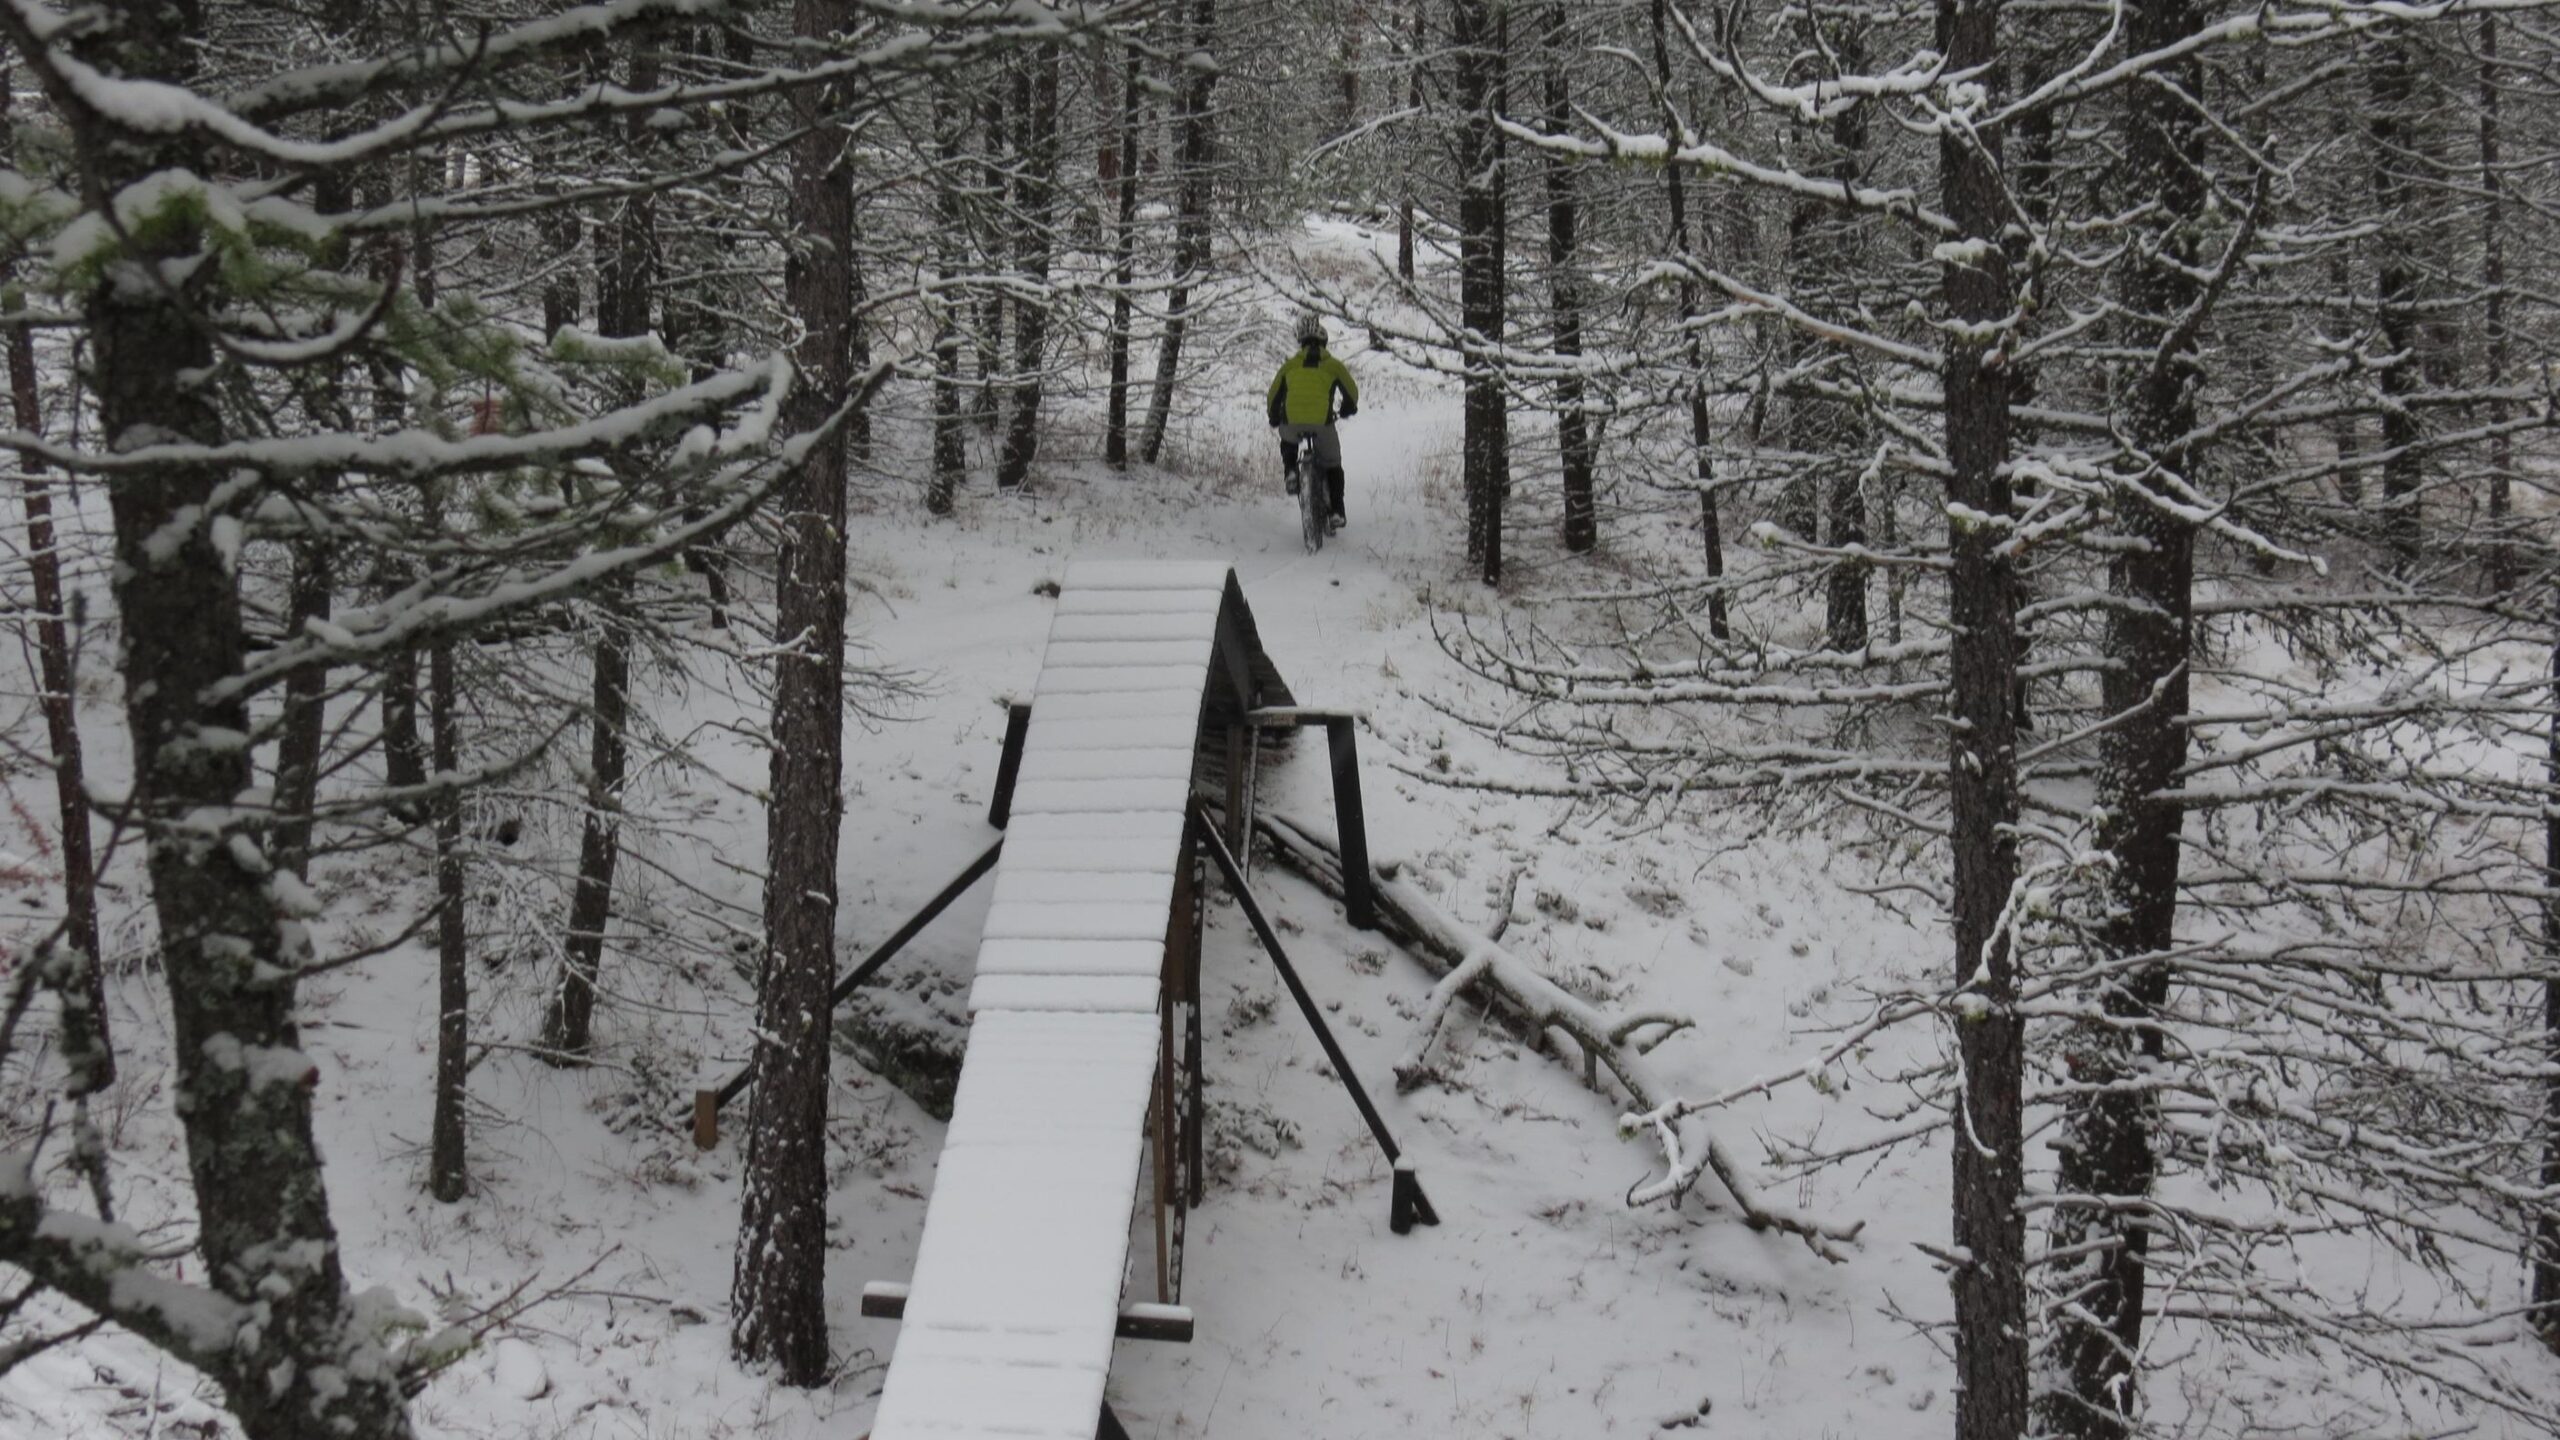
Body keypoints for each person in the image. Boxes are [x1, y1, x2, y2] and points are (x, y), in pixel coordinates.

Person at [1266, 313, 1358, 532]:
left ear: (1301, 344)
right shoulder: (1333, 365)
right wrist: (1347, 409)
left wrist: (1274, 417)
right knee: (1333, 463)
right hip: (1322, 424)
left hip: (1292, 423)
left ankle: (1290, 470)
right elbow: (1352, 393)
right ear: (1324, 343)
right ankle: (1336, 510)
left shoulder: (1289, 366)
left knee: (1288, 441)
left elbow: (1273, 395)